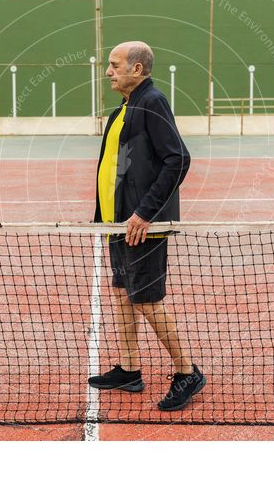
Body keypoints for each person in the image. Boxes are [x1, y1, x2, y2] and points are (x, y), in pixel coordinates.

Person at [87, 40, 206, 411]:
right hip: (118, 223)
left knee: (148, 301)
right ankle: (129, 369)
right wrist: (112, 216)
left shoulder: (152, 102)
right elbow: (122, 165)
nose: (108, 71)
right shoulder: (126, 107)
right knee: (124, 294)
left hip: (142, 225)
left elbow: (178, 159)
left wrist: (145, 213)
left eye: (115, 65)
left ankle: (187, 372)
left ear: (137, 69)